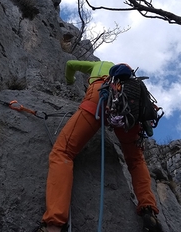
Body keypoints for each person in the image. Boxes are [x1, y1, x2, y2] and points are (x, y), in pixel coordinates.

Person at [35, 60, 162, 232]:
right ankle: (148, 209)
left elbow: (70, 64)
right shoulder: (131, 82)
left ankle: (54, 225)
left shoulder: (98, 65)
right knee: (136, 161)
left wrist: (70, 81)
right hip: (129, 107)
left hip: (100, 95)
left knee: (63, 152)